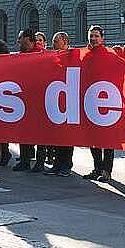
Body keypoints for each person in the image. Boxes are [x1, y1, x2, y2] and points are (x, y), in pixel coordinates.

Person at [81, 25, 116, 182]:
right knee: (93, 139)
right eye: (91, 36)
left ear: (102, 38)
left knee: (108, 139)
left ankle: (107, 171)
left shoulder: (110, 55)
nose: (93, 38)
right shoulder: (86, 56)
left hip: (107, 101)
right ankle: (97, 168)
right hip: (90, 101)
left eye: (96, 36)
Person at [13, 29, 42, 172]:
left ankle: (40, 162)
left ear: (28, 39)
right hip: (22, 100)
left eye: (20, 38)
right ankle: (24, 161)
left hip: (39, 100)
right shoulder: (20, 56)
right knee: (23, 132)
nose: (18, 41)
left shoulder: (41, 55)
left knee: (41, 133)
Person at [46, 32, 74, 177]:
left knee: (67, 137)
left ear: (65, 42)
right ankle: (57, 164)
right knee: (57, 136)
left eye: (56, 41)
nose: (53, 44)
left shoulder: (72, 56)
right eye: (53, 41)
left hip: (70, 102)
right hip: (56, 101)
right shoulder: (53, 57)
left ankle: (66, 165)